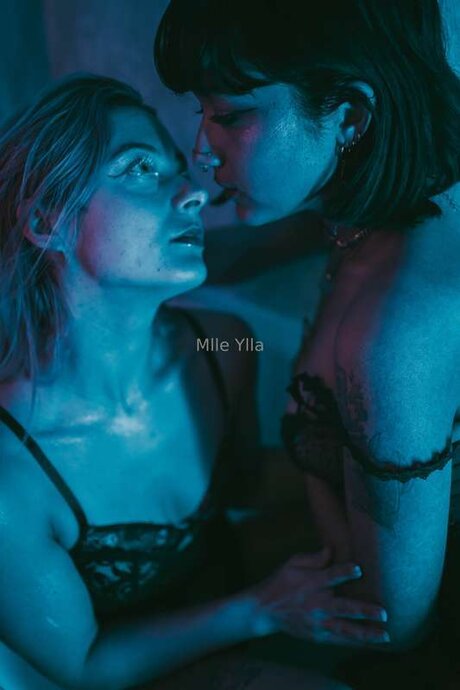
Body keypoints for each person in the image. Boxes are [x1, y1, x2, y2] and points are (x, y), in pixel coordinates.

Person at [0, 74, 389, 690]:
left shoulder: (222, 344)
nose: (193, 194)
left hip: (235, 597)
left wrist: (394, 466)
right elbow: (85, 666)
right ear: (48, 220)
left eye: (179, 170)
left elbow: (245, 479)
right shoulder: (12, 472)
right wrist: (260, 608)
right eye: (139, 169)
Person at [154, 0, 460, 687]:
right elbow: (238, 252)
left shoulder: (394, 335)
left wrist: (240, 610)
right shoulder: (358, 218)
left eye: (230, 115)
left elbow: (391, 625)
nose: (200, 151)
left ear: (349, 116)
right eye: (201, 111)